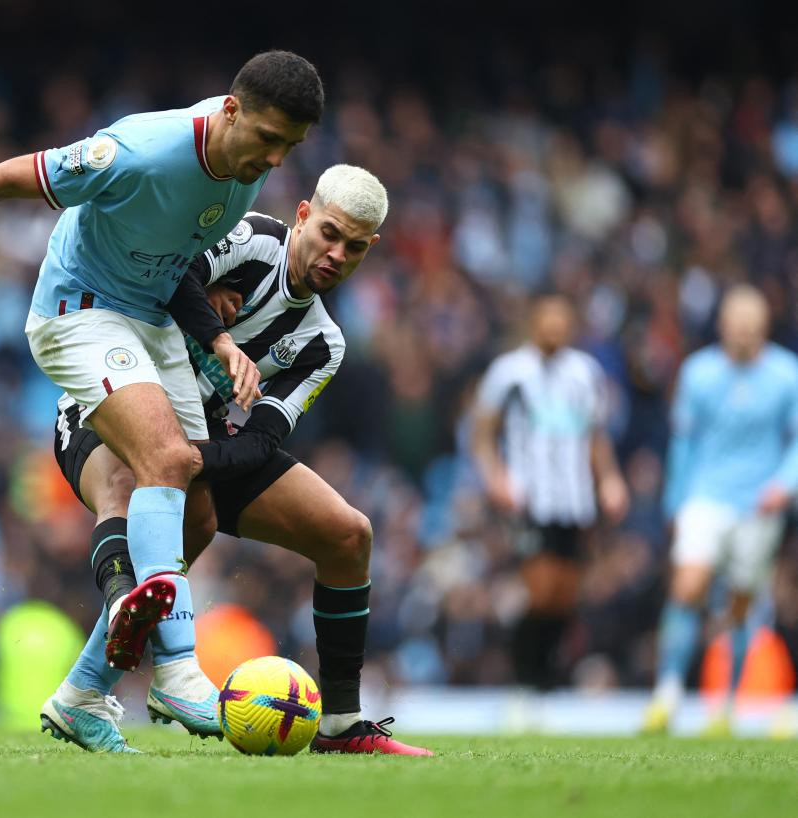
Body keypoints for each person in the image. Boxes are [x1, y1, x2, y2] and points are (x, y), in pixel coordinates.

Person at [0, 51, 324, 738]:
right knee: (168, 460)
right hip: (77, 311)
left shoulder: (240, 172)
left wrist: (220, 338)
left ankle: (83, 695)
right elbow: (2, 179)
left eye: (288, 148)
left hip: (150, 323)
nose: (274, 159)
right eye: (268, 139)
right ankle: (178, 674)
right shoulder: (137, 151)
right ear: (230, 110)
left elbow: (170, 261)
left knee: (198, 516)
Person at [42, 164, 432, 756]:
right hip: (107, 406)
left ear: (369, 250)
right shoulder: (250, 238)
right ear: (303, 214)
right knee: (151, 493)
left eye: (353, 248)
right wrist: (207, 319)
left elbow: (262, 442)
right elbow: (170, 277)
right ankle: (130, 620)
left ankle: (341, 725)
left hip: (205, 443)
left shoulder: (324, 343)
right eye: (329, 233)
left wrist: (185, 458)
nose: (335, 254)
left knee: (348, 534)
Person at [643, 285, 798, 735]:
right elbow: (684, 442)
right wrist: (676, 499)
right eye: (738, 325)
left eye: (753, 326)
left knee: (740, 604)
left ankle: (725, 706)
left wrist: (784, 485)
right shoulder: (699, 373)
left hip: (759, 503)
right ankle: (666, 694)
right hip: (707, 496)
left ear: (764, 328)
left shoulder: (787, 375)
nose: (745, 334)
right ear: (723, 326)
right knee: (688, 585)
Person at [471, 292, 629, 694]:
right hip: (529, 495)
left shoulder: (585, 372)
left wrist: (608, 480)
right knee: (540, 588)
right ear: (535, 322)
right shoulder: (509, 372)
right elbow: (482, 432)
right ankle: (525, 673)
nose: (555, 329)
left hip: (573, 498)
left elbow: (595, 435)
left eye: (562, 321)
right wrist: (496, 476)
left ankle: (544, 676)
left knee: (565, 593)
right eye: (548, 320)